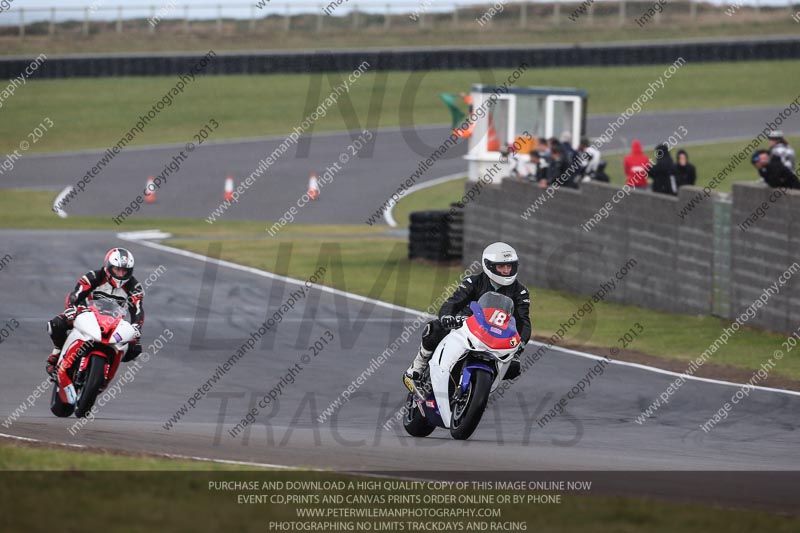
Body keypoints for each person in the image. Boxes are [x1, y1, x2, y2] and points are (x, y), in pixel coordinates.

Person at [404, 242, 531, 382]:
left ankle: (482, 386)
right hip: (465, 327)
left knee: (514, 367)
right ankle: (419, 365)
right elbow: (453, 302)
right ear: (489, 266)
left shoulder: (520, 291)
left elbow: (523, 321)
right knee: (435, 328)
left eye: (509, 266)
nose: (506, 271)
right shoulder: (473, 281)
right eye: (501, 266)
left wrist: (521, 344)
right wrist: (447, 317)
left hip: (496, 335)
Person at [45, 248, 145, 378]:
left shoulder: (135, 287)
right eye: (117, 269)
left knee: (135, 349)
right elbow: (76, 295)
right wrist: (71, 308)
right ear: (108, 266)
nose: (121, 274)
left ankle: (106, 369)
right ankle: (57, 352)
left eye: (125, 271)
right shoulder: (93, 277)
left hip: (114, 322)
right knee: (56, 324)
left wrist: (137, 327)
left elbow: (137, 309)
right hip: (86, 314)